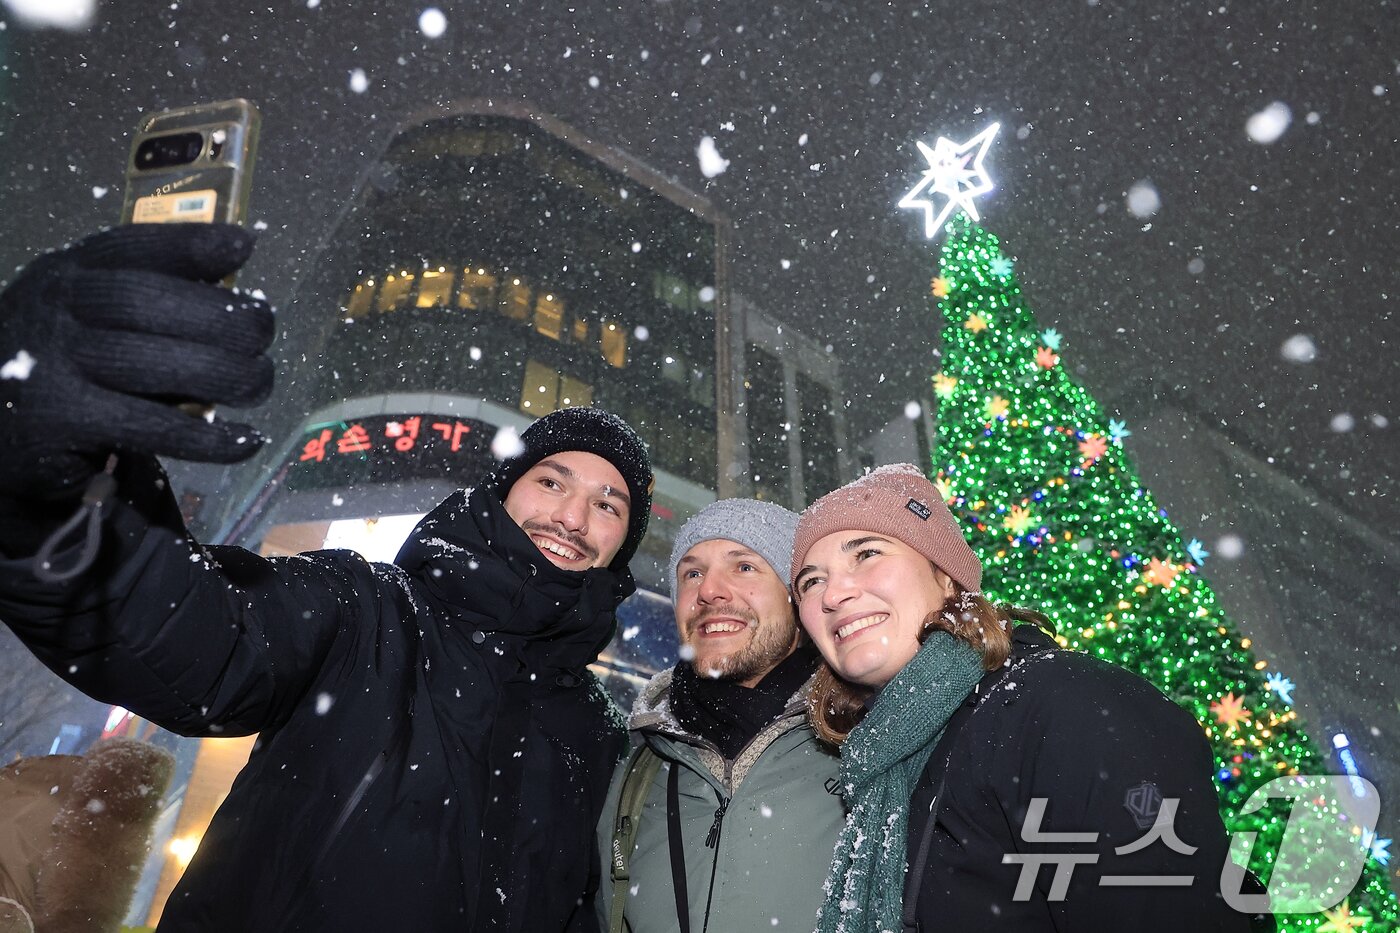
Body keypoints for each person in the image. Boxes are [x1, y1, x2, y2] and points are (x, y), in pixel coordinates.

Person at [0, 223, 653, 932]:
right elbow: (199, 635)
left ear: (620, 545)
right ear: (501, 493)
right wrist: (53, 491)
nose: (573, 515)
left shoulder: (596, 729)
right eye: (552, 480)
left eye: (607, 503)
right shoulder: (364, 611)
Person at [789, 464, 1254, 933]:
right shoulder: (879, 769)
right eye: (811, 581)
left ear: (947, 578)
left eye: (867, 554)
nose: (835, 594)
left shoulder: (1062, 708)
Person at [597, 499, 844, 933]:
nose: (709, 591)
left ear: (798, 598)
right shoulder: (636, 771)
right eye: (692, 573)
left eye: (744, 567)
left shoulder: (866, 748)